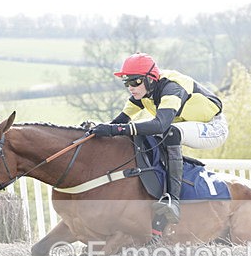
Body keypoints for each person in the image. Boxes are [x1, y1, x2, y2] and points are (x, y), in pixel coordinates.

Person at [91, 53, 228, 224]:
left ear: (150, 79)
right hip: (187, 124)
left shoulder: (171, 88)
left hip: (214, 127)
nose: (131, 87)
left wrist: (115, 130)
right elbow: (119, 123)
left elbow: (160, 125)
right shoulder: (142, 94)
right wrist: (95, 130)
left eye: (135, 81)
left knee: (170, 132)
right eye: (127, 83)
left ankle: (173, 201)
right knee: (145, 134)